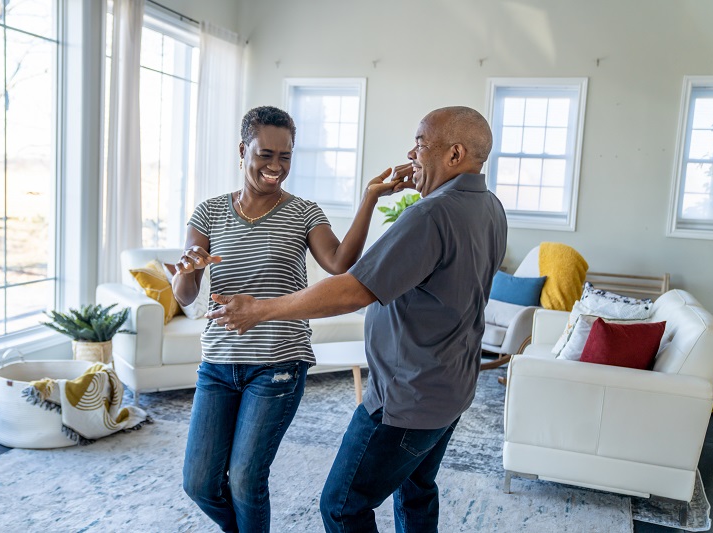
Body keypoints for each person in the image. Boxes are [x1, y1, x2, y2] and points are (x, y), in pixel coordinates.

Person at [206, 106, 508, 532]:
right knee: (415, 490)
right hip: (453, 389)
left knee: (342, 506)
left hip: (407, 398)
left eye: (420, 144)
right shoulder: (490, 207)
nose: (411, 153)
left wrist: (259, 309)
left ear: (455, 154)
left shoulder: (431, 215)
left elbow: (351, 288)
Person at [172, 105, 410, 533]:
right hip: (219, 365)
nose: (276, 167)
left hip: (279, 363)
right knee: (199, 482)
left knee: (245, 479)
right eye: (265, 155)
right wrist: (188, 271)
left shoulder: (303, 212)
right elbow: (188, 295)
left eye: (285, 156)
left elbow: (339, 263)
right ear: (242, 150)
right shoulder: (208, 212)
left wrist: (370, 198)